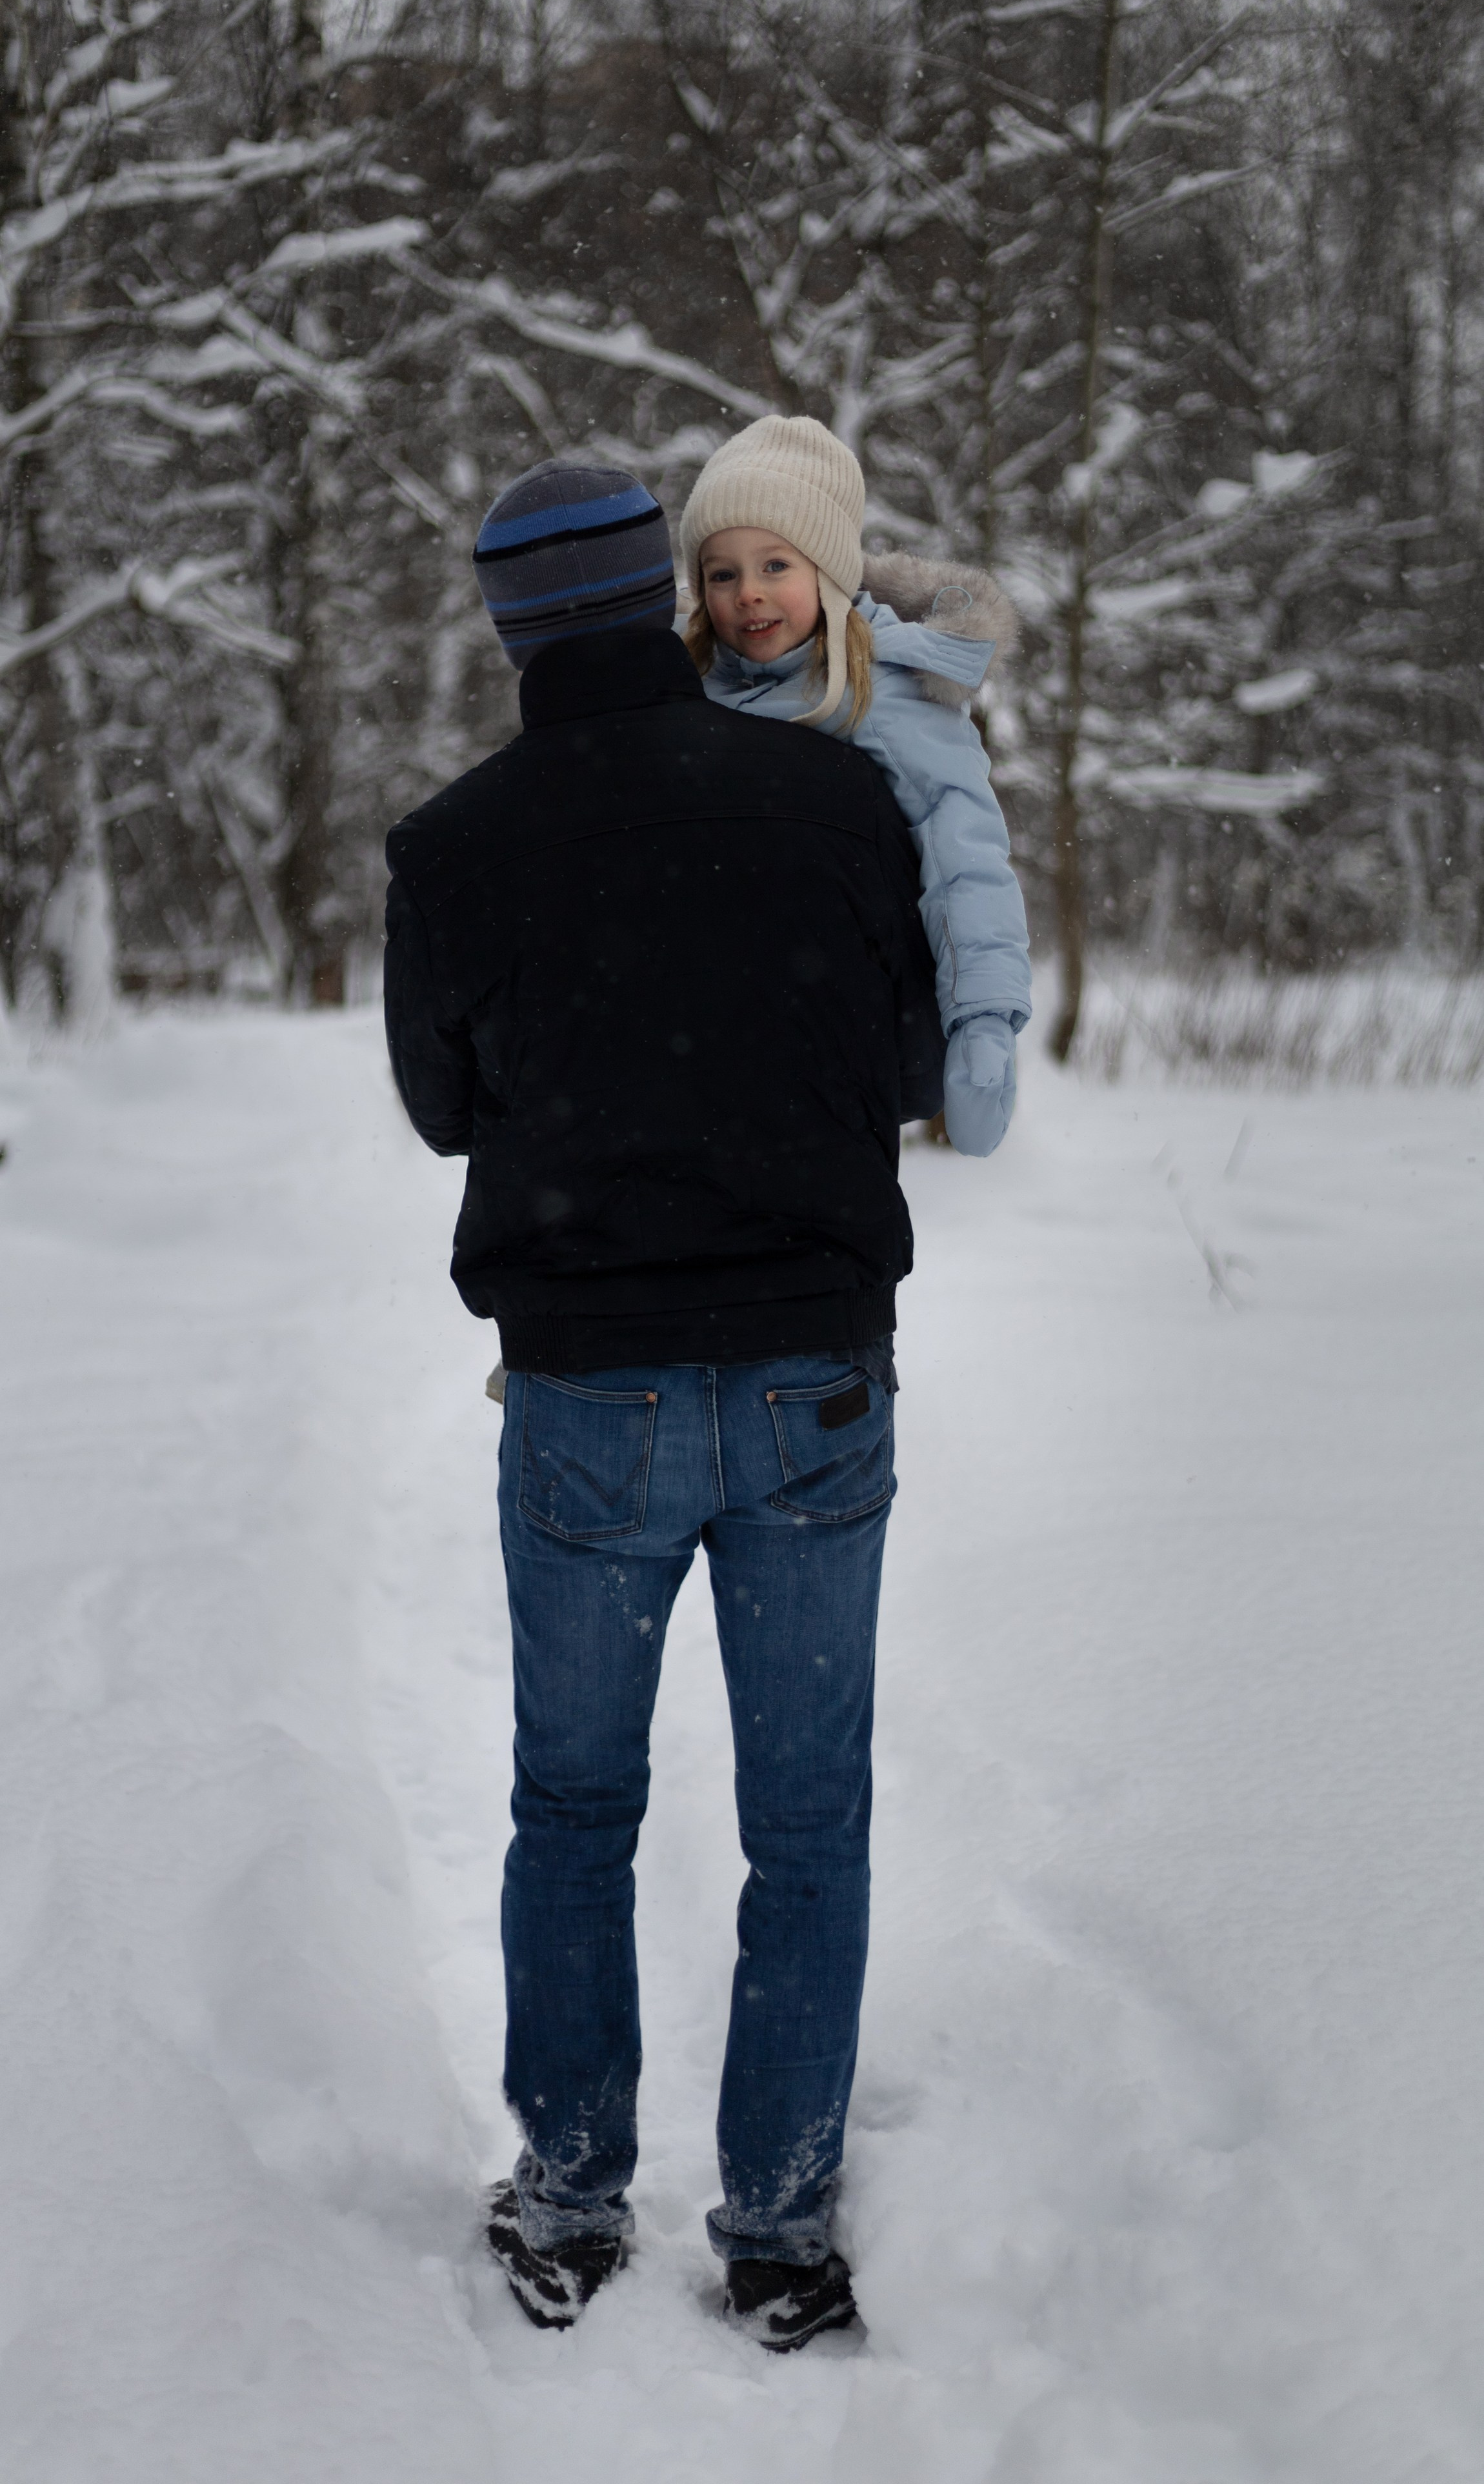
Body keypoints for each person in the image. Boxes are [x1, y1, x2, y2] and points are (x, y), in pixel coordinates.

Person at [383, 454, 954, 2352]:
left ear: (508, 628)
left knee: (571, 1807)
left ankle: (565, 2207)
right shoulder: (837, 797)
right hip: (809, 1379)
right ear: (665, 598)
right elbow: (894, 1060)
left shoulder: (456, 846)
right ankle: (780, 2233)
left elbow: (446, 1107)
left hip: (586, 1397)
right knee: (807, 1827)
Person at [679, 413, 1032, 1156]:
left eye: (775, 565)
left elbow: (964, 857)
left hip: (846, 1037)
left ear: (829, 570)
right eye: (722, 573)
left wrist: (982, 1025)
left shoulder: (887, 693)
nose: (748, 592)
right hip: (712, 1048)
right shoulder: (688, 692)